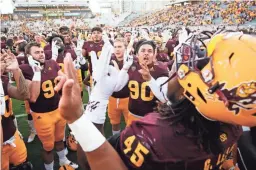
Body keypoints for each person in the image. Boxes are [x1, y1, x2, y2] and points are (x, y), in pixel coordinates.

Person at [57, 30, 256, 170]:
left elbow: (90, 163)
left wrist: (83, 115)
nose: (189, 64)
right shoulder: (236, 126)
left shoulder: (154, 135)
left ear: (214, 92)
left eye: (204, 63)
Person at [19, 42, 78, 170]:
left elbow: (64, 77)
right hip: (42, 114)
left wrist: (58, 87)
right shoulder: (25, 69)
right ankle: (49, 168)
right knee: (48, 146)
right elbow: (33, 96)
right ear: (28, 56)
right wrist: (36, 72)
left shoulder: (51, 63)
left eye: (41, 52)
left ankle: (63, 160)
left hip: (57, 109)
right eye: (36, 52)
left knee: (60, 140)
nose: (41, 54)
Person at [1, 50, 32, 170]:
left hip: (11, 135)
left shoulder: (3, 81)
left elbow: (24, 95)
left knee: (24, 166)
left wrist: (16, 70)